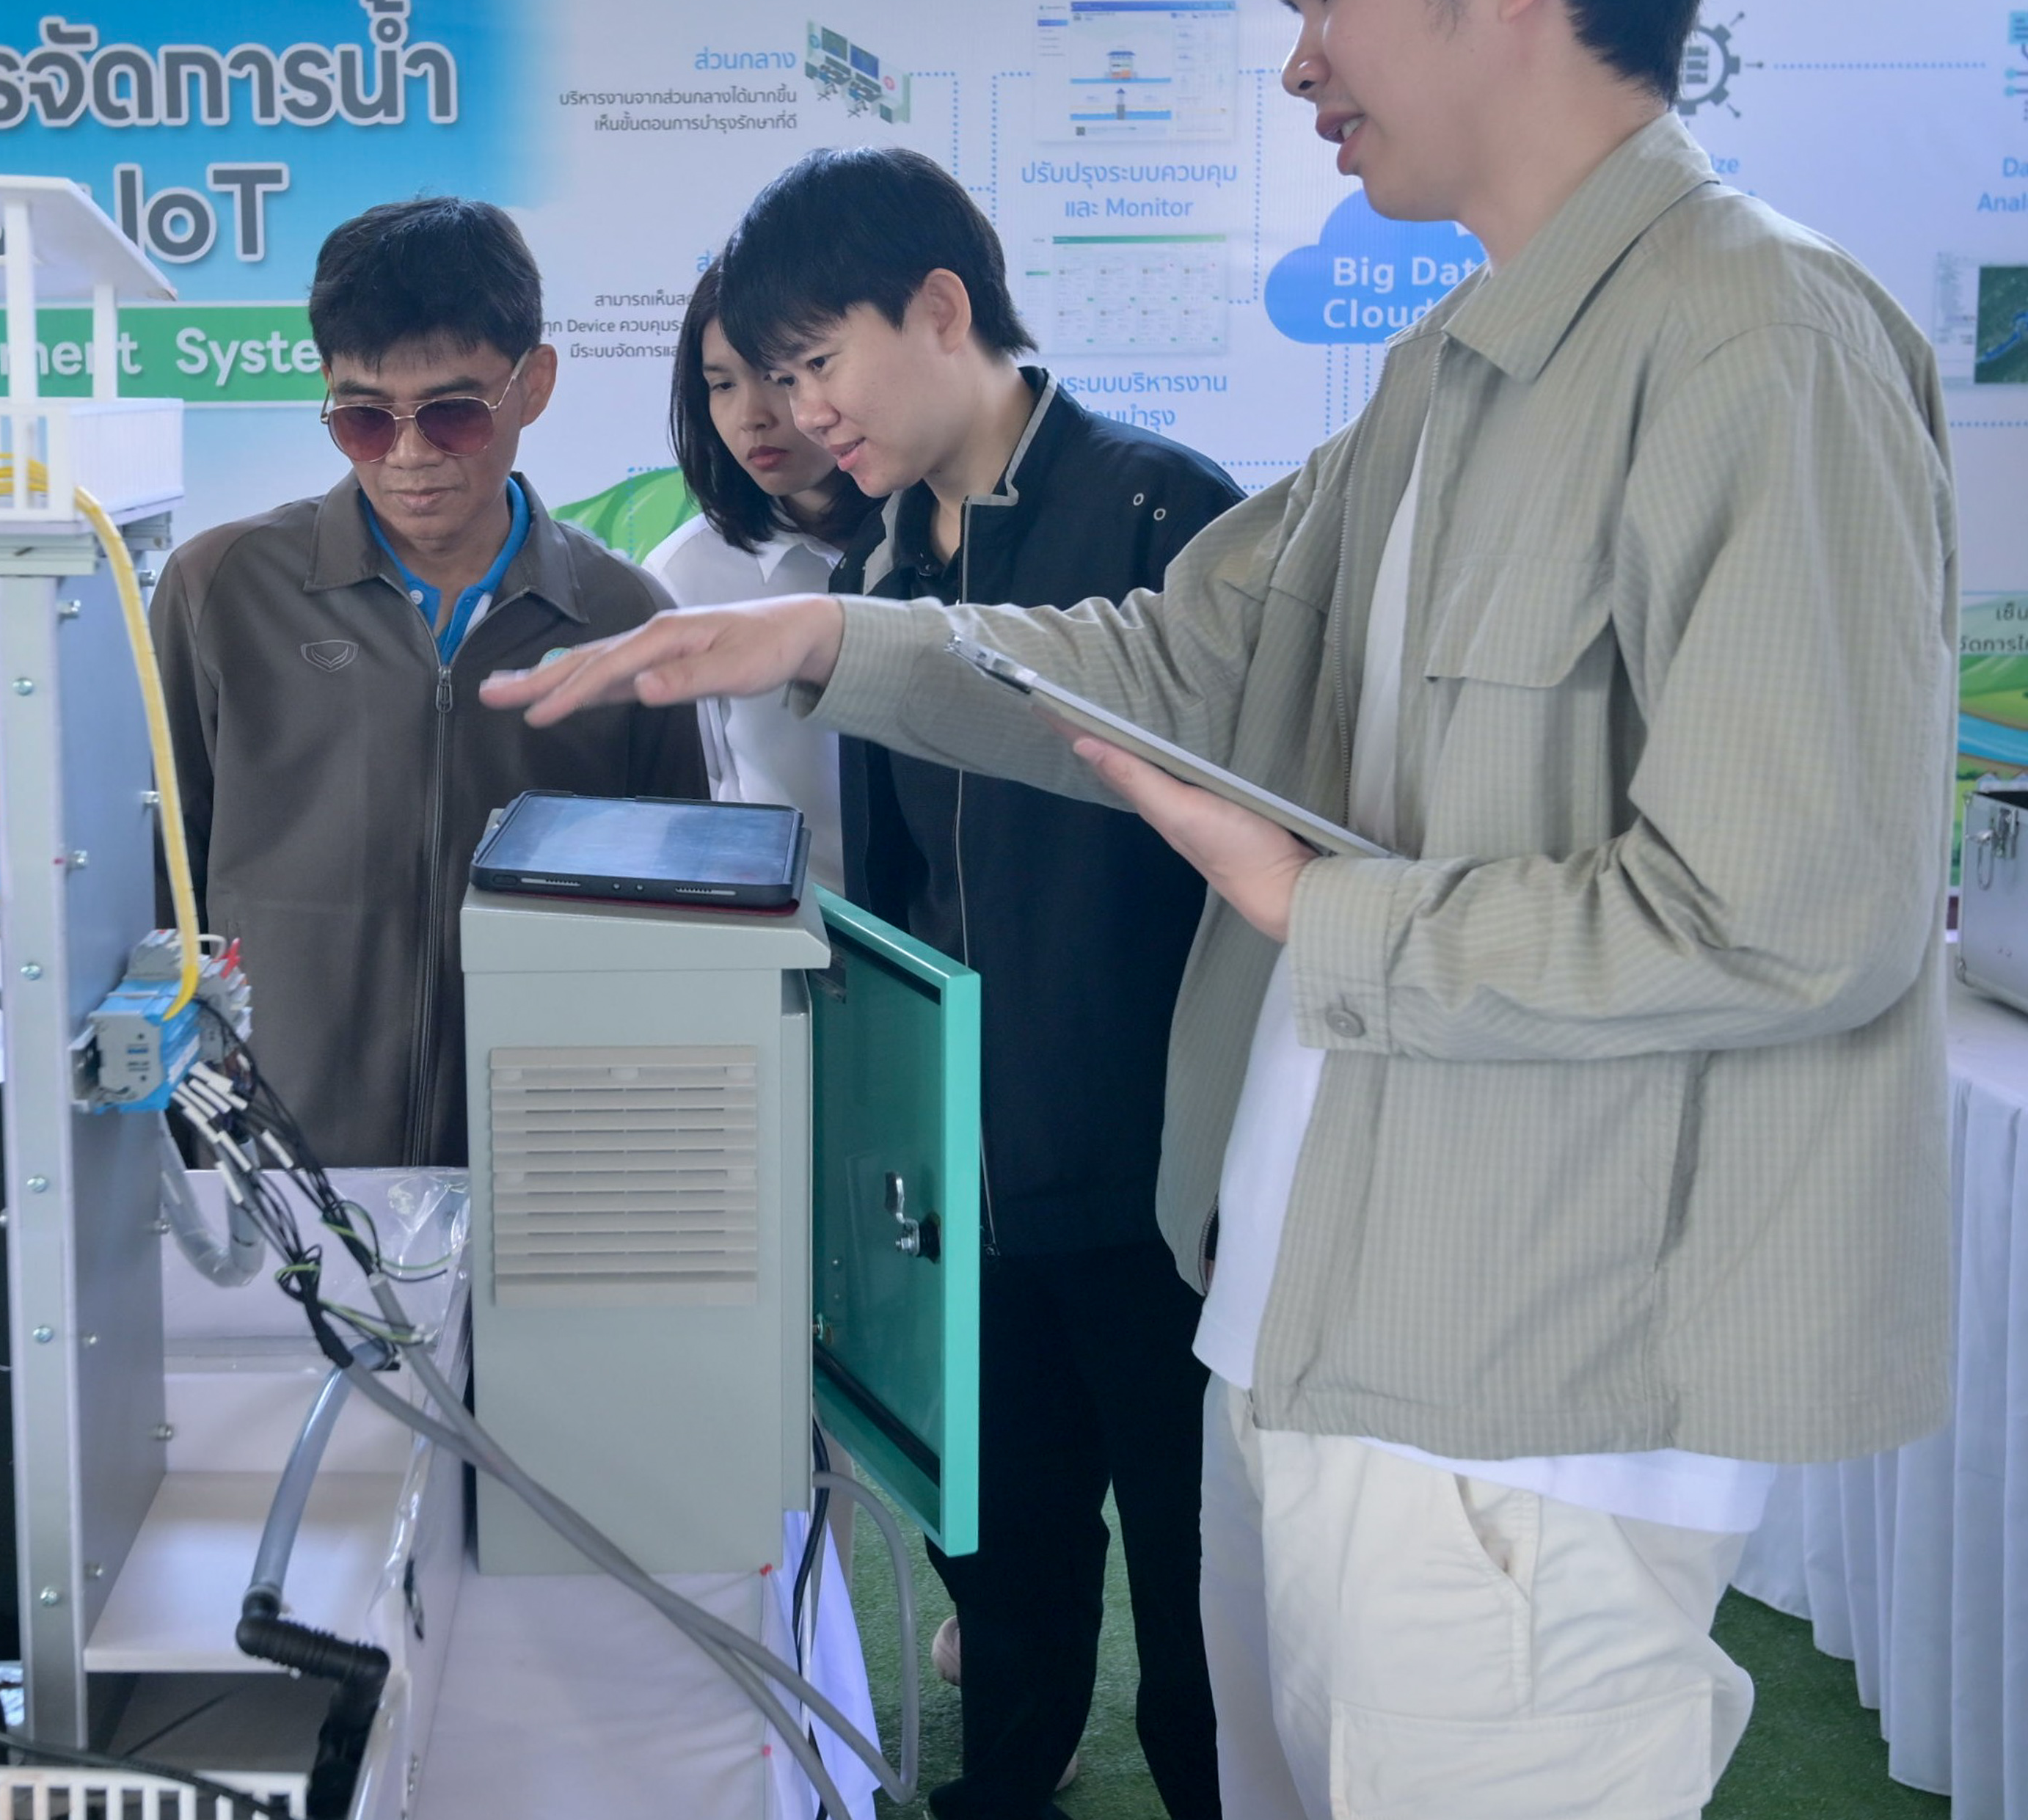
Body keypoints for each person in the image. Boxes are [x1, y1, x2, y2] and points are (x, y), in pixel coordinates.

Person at [484, 0, 1958, 1820]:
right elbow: (1172, 656)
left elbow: (1793, 919)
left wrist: (1323, 910)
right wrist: (829, 638)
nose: (1299, 58)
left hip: (1522, 1396)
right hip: (1313, 1314)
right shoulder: (1458, 362)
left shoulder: (1756, 342)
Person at [721, 147, 1239, 1820]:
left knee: (1199, 1597)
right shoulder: (874, 574)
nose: (801, 411)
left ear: (941, 308)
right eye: (775, 375)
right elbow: (895, 892)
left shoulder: (1166, 515)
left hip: (1160, 1190)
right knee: (1000, 1574)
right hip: (963, 1186)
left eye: (819, 360)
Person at [150, 195, 705, 1168]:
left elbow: (672, 936)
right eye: (364, 419)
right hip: (269, 1173)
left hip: (544, 1167)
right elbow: (158, 892)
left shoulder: (626, 620)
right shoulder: (219, 592)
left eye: (453, 414)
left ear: (534, 384)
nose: (409, 456)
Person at [646, 266, 877, 893]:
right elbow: (698, 805)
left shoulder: (944, 539)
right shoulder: (684, 573)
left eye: (778, 377)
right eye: (722, 384)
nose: (751, 416)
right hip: (789, 930)